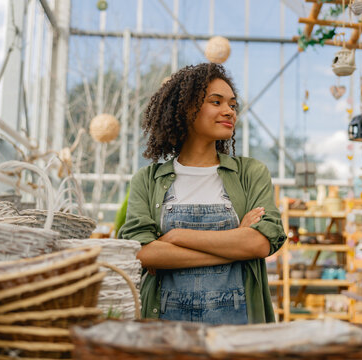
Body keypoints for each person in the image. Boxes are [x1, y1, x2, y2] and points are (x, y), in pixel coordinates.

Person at [118, 63, 285, 324]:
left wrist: (175, 237)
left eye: (232, 104)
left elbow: (259, 244)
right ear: (185, 109)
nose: (229, 111)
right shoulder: (148, 180)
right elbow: (142, 253)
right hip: (165, 332)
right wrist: (235, 244)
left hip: (238, 335)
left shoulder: (250, 173)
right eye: (216, 102)